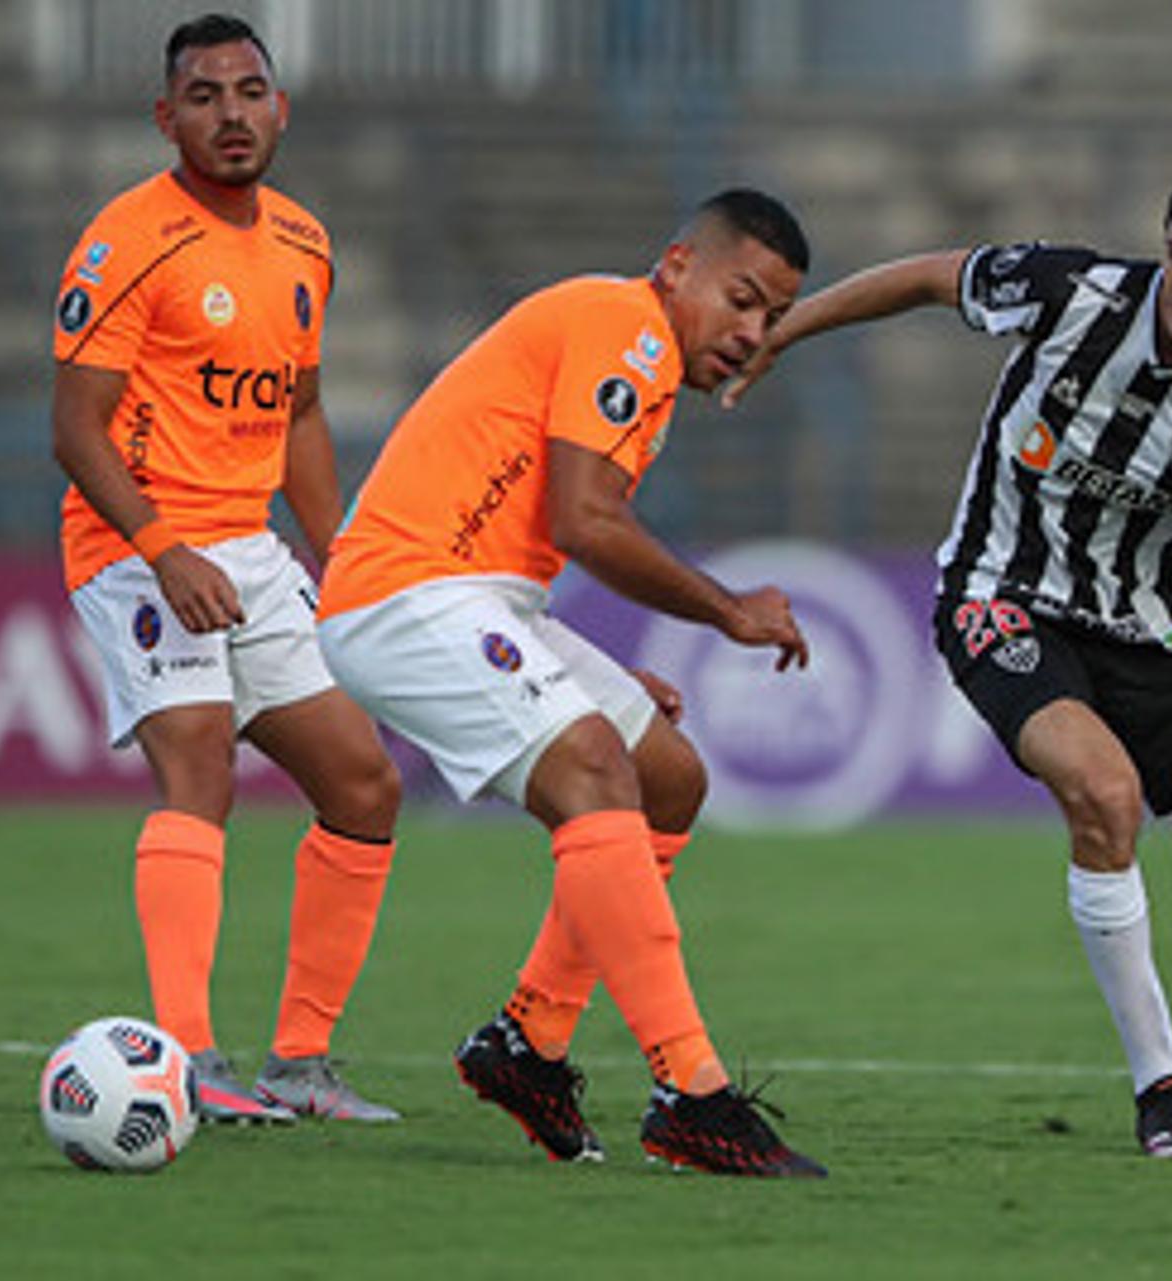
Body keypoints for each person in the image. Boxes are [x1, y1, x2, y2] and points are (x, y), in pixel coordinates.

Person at [725, 156, 1172, 1159]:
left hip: (1157, 632)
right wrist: (783, 335)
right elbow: (935, 276)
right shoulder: (1073, 294)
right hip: (1003, 600)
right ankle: (1162, 1090)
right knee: (1103, 795)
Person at [315, 189, 825, 1178]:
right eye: (743, 299)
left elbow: (534, 539)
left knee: (666, 776)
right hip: (402, 594)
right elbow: (588, 522)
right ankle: (694, 1093)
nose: (753, 333)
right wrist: (727, 609)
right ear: (678, 265)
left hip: (482, 603)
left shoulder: (638, 359)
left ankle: (529, 1043)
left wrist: (574, 661)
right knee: (593, 767)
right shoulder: (624, 325)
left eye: (772, 318)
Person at [51, 14, 404, 1123]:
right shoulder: (128, 241)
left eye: (250, 91)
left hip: (251, 549)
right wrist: (163, 550)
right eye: (204, 97)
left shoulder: (303, 242)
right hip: (134, 545)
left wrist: (340, 552)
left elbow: (298, 413)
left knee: (363, 783)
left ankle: (300, 1067)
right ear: (168, 118)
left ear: (281, 107)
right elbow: (76, 428)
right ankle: (189, 1061)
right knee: (199, 761)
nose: (232, 114)